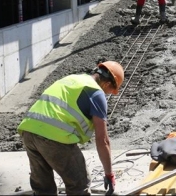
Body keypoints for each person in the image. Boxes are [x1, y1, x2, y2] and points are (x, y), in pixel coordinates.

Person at [18, 60, 125, 195]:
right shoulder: (96, 94)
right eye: (111, 91)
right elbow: (103, 140)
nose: (109, 94)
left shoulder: (72, 79)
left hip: (29, 130)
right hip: (54, 136)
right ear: (108, 83)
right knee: (79, 184)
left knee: (43, 188)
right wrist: (109, 174)